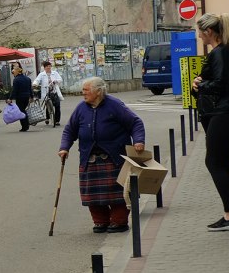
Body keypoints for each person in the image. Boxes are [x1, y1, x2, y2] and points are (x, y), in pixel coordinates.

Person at [58, 76, 146, 233]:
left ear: (98, 92)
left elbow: (135, 123)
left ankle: (119, 221)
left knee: (119, 193)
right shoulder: (81, 108)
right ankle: (100, 221)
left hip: (114, 158)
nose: (82, 93)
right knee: (92, 195)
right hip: (89, 158)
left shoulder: (114, 105)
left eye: (86, 90)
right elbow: (70, 130)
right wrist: (64, 147)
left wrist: (138, 141)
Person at [191, 13, 229, 231]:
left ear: (209, 32)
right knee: (226, 163)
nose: (199, 36)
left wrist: (200, 84)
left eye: (200, 32)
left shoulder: (221, 53)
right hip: (228, 112)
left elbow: (220, 84)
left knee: (214, 162)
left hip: (222, 113)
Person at [34, 60, 63, 126]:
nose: (49, 68)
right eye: (47, 67)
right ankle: (47, 118)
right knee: (48, 106)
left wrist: (55, 81)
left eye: (49, 66)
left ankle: (57, 121)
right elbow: (37, 80)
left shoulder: (54, 73)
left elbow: (60, 79)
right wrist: (35, 84)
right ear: (44, 68)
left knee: (57, 106)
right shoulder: (42, 74)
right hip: (46, 92)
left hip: (54, 91)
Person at [9, 64, 34, 132]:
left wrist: (10, 98)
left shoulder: (16, 80)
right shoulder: (27, 79)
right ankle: (26, 125)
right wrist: (31, 97)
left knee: (21, 111)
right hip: (27, 97)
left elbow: (14, 90)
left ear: (17, 72)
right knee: (23, 110)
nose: (13, 73)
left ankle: (25, 126)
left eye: (13, 72)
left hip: (20, 97)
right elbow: (30, 88)